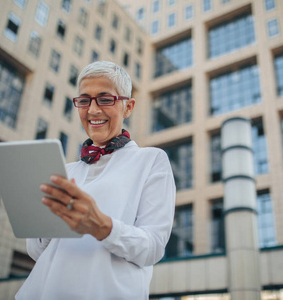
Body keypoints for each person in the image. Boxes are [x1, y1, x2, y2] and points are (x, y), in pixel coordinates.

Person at [15, 61, 176, 300]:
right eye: (84, 100)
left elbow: (152, 248)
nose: (92, 110)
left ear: (128, 107)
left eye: (105, 99)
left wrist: (102, 226)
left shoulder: (151, 160)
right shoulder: (65, 171)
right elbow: (37, 252)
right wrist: (49, 220)